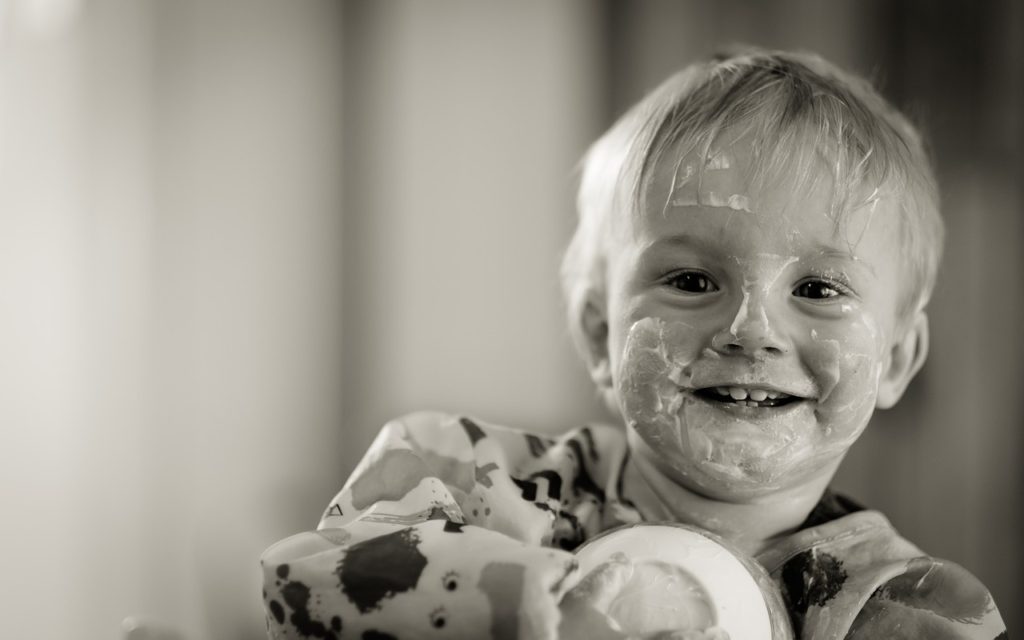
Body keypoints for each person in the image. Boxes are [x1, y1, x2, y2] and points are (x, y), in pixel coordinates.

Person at [260, 49, 1007, 639]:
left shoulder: (912, 611)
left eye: (818, 289)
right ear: (598, 332)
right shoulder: (461, 477)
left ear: (897, 359)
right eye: (691, 280)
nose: (751, 328)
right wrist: (549, 608)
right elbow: (305, 582)